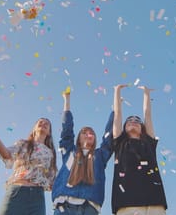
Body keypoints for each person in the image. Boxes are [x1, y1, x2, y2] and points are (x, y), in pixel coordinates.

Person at [52, 89, 114, 215]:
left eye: (91, 133)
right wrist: (67, 100)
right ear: (78, 138)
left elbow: (109, 138)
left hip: (89, 206)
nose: (88, 135)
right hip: (64, 204)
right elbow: (67, 129)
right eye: (84, 133)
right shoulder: (69, 151)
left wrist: (115, 111)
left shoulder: (100, 155)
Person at [0, 116, 57, 215]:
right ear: (34, 129)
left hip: (37, 196)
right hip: (18, 191)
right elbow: (6, 154)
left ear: (49, 132)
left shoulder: (50, 153)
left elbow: (53, 179)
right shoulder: (23, 144)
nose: (43, 124)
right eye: (40, 122)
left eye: (47, 124)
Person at [111, 84, 167, 215]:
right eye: (129, 120)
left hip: (155, 203)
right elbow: (117, 116)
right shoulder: (119, 143)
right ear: (124, 127)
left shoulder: (148, 143)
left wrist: (146, 94)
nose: (133, 121)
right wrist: (117, 91)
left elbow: (147, 116)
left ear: (142, 127)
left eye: (137, 120)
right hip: (126, 204)